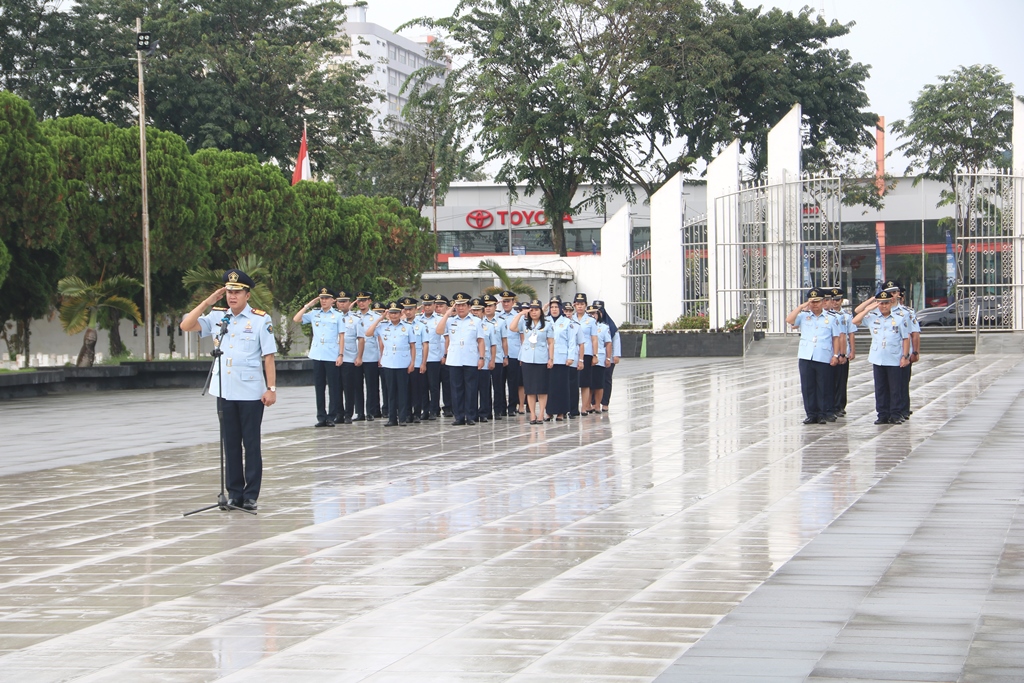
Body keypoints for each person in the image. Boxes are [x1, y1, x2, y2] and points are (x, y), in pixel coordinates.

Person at [180, 269, 276, 511]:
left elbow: (268, 357)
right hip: (224, 389)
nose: (232, 296)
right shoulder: (217, 316)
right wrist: (207, 302)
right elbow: (186, 325)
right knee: (230, 443)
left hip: (252, 391)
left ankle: (251, 495)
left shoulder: (259, 319)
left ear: (247, 294)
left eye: (237, 292)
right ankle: (234, 493)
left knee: (251, 444)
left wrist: (271, 388)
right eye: (229, 292)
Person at [852, 290, 911, 424]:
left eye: (885, 303)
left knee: (895, 388)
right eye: (881, 303)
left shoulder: (900, 317)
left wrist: (905, 356)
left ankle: (895, 414)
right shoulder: (873, 317)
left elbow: (906, 338)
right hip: (878, 357)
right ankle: (882, 414)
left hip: (894, 357)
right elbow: (855, 320)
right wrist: (869, 308)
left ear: (891, 303)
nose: (883, 306)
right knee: (880, 388)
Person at [785, 288, 843, 425]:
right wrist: (801, 306)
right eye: (812, 302)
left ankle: (823, 413)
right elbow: (789, 320)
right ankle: (811, 414)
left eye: (817, 301)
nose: (814, 304)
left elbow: (836, 338)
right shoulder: (804, 316)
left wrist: (836, 355)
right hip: (806, 356)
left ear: (823, 302)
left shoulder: (831, 318)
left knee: (824, 386)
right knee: (808, 386)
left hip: (823, 356)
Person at [293, 286, 343, 427]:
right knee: (319, 387)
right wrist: (308, 305)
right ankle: (321, 416)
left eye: (327, 298)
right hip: (317, 354)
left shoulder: (338, 315)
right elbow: (296, 319)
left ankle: (331, 416)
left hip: (332, 354)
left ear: (333, 300)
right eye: (321, 298)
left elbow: (341, 336)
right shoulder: (315, 313)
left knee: (333, 387)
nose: (324, 301)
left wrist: (340, 354)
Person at [437, 292, 486, 425]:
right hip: (454, 358)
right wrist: (447, 313)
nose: (461, 308)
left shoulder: (476, 321)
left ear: (469, 306)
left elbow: (481, 341)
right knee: (456, 388)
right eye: (458, 305)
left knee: (471, 388)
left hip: (471, 358)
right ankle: (459, 416)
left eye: (463, 305)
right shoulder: (450, 321)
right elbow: (439, 331)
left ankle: (470, 416)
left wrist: (481, 357)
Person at [366, 301, 415, 426]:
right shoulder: (383, 326)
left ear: (401, 313)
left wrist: (412, 363)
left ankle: (402, 418)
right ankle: (392, 418)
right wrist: (380, 318)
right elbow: (368, 333)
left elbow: (412, 346)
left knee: (403, 392)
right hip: (388, 362)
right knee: (390, 392)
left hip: (403, 361)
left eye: (396, 313)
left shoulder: (408, 327)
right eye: (391, 313)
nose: (393, 316)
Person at [510, 299, 554, 424]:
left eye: (536, 310)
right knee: (529, 389)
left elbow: (550, 342)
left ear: (541, 311)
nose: (534, 312)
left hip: (541, 358)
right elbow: (512, 327)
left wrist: (551, 358)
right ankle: (533, 415)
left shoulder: (547, 324)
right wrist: (520, 314)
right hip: (527, 358)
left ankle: (541, 414)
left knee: (542, 388)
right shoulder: (525, 323)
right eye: (532, 310)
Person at [890, 282, 920, 420]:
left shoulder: (907, 312)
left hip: (904, 353)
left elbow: (914, 333)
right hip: (888, 354)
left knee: (902, 382)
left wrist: (914, 352)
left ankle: (903, 409)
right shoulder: (879, 311)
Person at [546, 296, 579, 421]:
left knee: (561, 386)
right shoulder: (545, 320)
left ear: (561, 309)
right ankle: (549, 411)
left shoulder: (567, 322)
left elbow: (571, 341)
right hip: (548, 358)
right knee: (549, 386)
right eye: (552, 307)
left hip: (561, 358)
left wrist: (571, 357)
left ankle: (561, 412)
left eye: (556, 307)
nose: (554, 310)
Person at [826, 287, 856, 417]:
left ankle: (840, 405)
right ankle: (831, 405)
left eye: (837, 300)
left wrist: (852, 351)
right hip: (830, 353)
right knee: (830, 381)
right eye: (832, 300)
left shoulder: (846, 316)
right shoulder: (826, 315)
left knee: (841, 381)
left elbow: (851, 334)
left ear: (841, 300)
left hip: (843, 351)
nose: (835, 302)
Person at [570, 293, 598, 415]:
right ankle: (573, 407)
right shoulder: (570, 318)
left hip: (586, 353)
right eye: (577, 304)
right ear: (574, 305)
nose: (580, 307)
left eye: (582, 304)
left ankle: (584, 407)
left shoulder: (590, 320)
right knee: (573, 381)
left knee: (585, 382)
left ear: (586, 305)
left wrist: (595, 355)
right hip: (573, 353)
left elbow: (594, 338)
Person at [335, 289, 360, 424]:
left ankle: (348, 414)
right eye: (339, 302)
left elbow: (360, 338)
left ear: (349, 302)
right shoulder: (332, 318)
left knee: (348, 387)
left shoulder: (355, 319)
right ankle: (338, 413)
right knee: (336, 387)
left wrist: (359, 356)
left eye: (344, 302)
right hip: (333, 356)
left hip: (349, 357)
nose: (342, 304)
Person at [470, 297, 497, 422]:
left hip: (485, 362)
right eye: (473, 310)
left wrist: (492, 360)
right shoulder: (469, 325)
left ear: (483, 312)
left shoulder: (489, 326)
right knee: (472, 389)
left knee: (485, 389)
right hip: (470, 361)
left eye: (478, 310)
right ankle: (472, 413)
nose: (475, 313)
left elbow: (493, 345)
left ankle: (484, 413)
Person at [402, 296, 429, 423]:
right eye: (406, 309)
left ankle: (417, 413)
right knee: (405, 390)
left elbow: (425, 345)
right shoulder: (400, 325)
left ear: (415, 310)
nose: (408, 312)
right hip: (403, 362)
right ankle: (407, 413)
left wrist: (424, 362)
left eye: (411, 309)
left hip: (417, 362)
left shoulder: (421, 325)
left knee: (418, 389)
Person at [483, 294, 506, 420]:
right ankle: (486, 411)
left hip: (497, 357)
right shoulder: (479, 321)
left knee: (498, 386)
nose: (487, 308)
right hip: (484, 359)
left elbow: (504, 341)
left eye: (490, 306)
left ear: (495, 306)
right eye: (485, 306)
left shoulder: (501, 321)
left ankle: (498, 410)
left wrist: (505, 356)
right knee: (485, 387)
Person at [594, 300, 621, 410]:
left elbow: (615, 340)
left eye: (600, 310)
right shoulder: (590, 323)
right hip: (594, 357)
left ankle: (605, 403)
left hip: (608, 358)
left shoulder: (609, 325)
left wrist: (615, 356)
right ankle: (594, 403)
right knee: (594, 381)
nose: (598, 313)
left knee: (606, 379)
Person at [587, 305, 614, 413]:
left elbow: (608, 343)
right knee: (587, 384)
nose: (592, 316)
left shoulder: (604, 327)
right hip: (587, 356)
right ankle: (588, 404)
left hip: (600, 358)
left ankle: (597, 405)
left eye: (594, 313)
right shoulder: (583, 325)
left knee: (598, 383)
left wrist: (608, 358)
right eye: (590, 314)